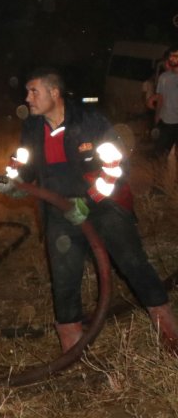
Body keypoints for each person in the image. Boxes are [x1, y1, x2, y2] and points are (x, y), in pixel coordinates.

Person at [10, 67, 177, 354]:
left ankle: (169, 332)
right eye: (27, 92)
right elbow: (24, 165)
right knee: (63, 279)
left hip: (104, 207)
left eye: (33, 91)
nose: (27, 98)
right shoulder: (33, 128)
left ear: (54, 92)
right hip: (59, 212)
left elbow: (116, 167)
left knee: (133, 264)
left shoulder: (90, 122)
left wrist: (88, 200)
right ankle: (73, 350)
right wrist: (11, 179)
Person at [152, 46, 178, 161]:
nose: (173, 59)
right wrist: (157, 118)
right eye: (171, 56)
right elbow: (160, 98)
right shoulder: (164, 77)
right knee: (160, 154)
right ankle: (160, 177)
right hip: (166, 122)